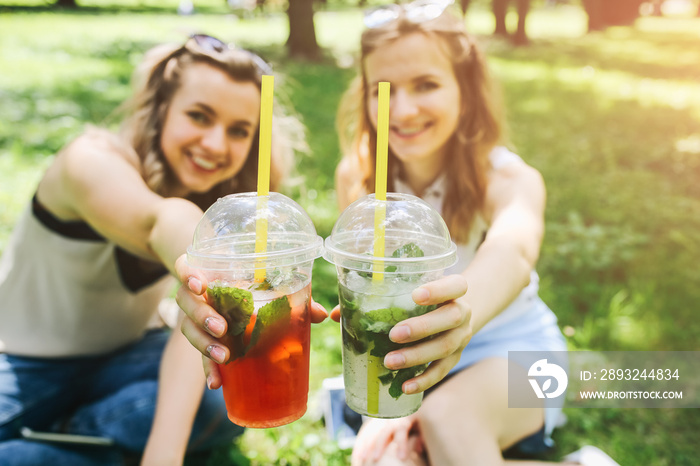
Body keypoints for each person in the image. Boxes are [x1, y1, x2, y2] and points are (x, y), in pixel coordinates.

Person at [0, 34, 324, 466]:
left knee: (227, 395)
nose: (215, 143)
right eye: (199, 116)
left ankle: (66, 440)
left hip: (127, 359)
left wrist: (163, 452)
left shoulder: (224, 203)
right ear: (160, 110)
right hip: (23, 368)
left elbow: (189, 327)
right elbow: (160, 222)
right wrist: (209, 264)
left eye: (238, 130)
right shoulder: (89, 163)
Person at [330, 2, 618, 465]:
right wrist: (380, 417)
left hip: (518, 357)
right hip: (413, 355)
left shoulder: (507, 179)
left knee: (447, 418)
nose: (402, 110)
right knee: (385, 459)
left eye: (426, 84)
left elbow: (515, 250)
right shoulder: (358, 179)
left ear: (464, 87)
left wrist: (462, 312)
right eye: (382, 89)